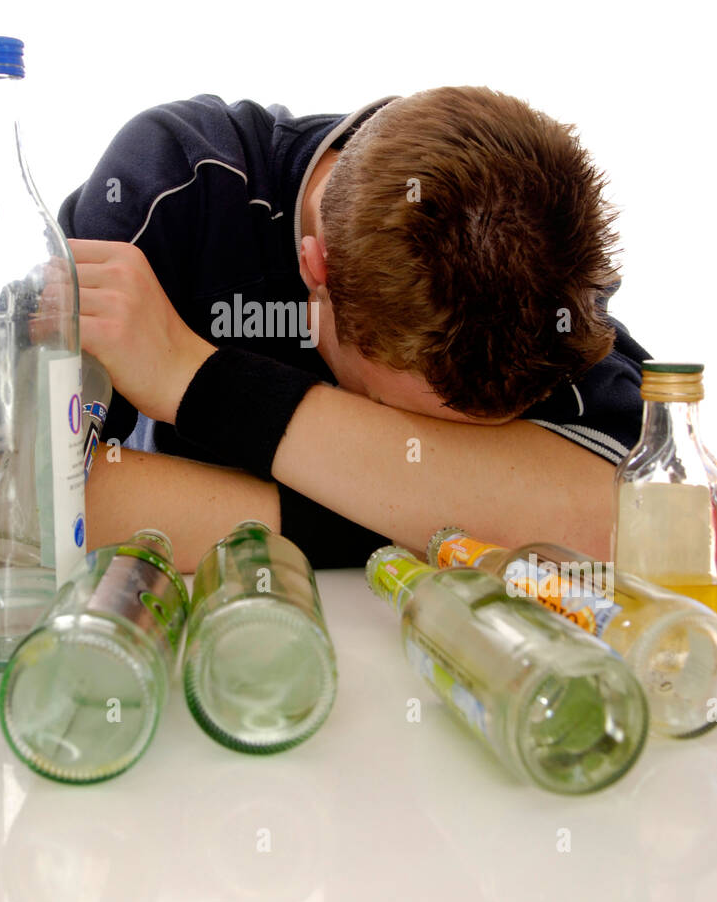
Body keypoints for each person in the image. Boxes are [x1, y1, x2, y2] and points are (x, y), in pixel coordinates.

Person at [58, 87, 648, 571]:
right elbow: (48, 500)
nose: (412, 449)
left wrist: (197, 379)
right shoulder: (177, 178)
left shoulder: (544, 285)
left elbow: (639, 519)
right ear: (318, 272)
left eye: (459, 441)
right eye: (391, 413)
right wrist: (455, 516)